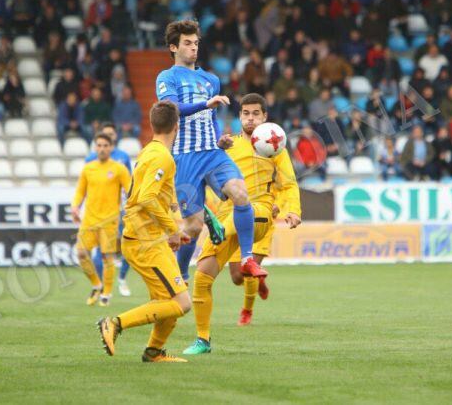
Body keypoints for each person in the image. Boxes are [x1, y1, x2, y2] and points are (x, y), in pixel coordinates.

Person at [183, 94, 301, 355]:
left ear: (264, 117)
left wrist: (290, 209)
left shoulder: (274, 145)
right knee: (206, 277)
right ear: (239, 118)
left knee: (245, 265)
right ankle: (203, 340)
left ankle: (247, 308)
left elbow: (288, 183)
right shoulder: (228, 145)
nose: (250, 118)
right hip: (228, 216)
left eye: (255, 114)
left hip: (260, 214)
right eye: (245, 114)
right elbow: (211, 176)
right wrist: (217, 149)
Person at [155, 20, 267, 282]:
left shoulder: (211, 80)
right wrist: (206, 103)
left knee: (240, 194)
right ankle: (180, 273)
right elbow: (171, 108)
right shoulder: (167, 77)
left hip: (212, 154)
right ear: (173, 47)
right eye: (187, 43)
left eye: (196, 43)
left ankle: (248, 258)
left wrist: (220, 140)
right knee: (193, 227)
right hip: (184, 157)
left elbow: (211, 118)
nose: (193, 47)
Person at [97, 101, 192, 363]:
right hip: (144, 240)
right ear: (177, 126)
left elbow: (164, 195)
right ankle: (115, 323)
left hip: (148, 237)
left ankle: (154, 351)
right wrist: (172, 228)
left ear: (151, 125)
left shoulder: (149, 151)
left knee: (168, 299)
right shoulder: (161, 156)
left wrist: (174, 227)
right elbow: (148, 198)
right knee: (182, 303)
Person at [71, 133, 131, 307]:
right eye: (99, 145)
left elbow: (130, 190)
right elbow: (80, 191)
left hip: (109, 220)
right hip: (89, 219)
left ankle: (106, 294)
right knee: (81, 254)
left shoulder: (119, 169)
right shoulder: (88, 168)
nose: (102, 148)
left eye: (106, 145)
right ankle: (96, 284)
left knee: (107, 258)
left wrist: (131, 208)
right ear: (95, 147)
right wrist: (75, 207)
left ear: (111, 147)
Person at [85, 123, 133, 297]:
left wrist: (131, 205)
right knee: (101, 250)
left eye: (111, 134)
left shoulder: (123, 157)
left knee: (129, 245)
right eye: (105, 135)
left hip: (122, 209)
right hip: (103, 212)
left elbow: (129, 183)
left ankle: (121, 278)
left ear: (115, 137)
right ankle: (103, 284)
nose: (109, 137)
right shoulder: (91, 159)